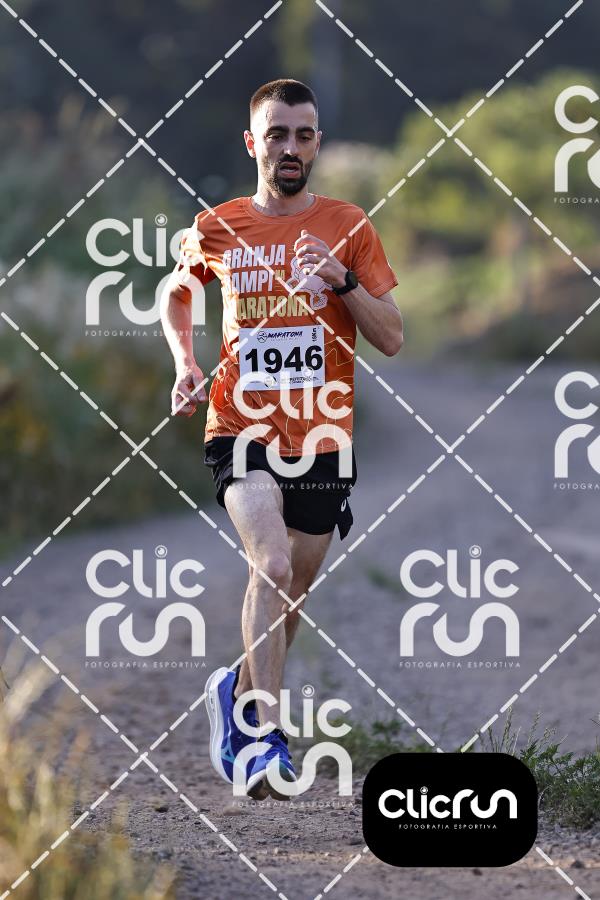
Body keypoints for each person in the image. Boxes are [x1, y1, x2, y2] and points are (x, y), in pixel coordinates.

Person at [161, 78, 403, 800]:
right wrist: (185, 362)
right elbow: (177, 290)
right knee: (268, 565)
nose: (290, 147)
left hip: (325, 435)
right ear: (253, 143)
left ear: (317, 142)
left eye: (302, 134)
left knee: (292, 590)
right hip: (239, 425)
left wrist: (341, 281)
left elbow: (392, 336)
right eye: (277, 134)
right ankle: (267, 737)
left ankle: (234, 694)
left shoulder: (349, 226)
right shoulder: (218, 225)